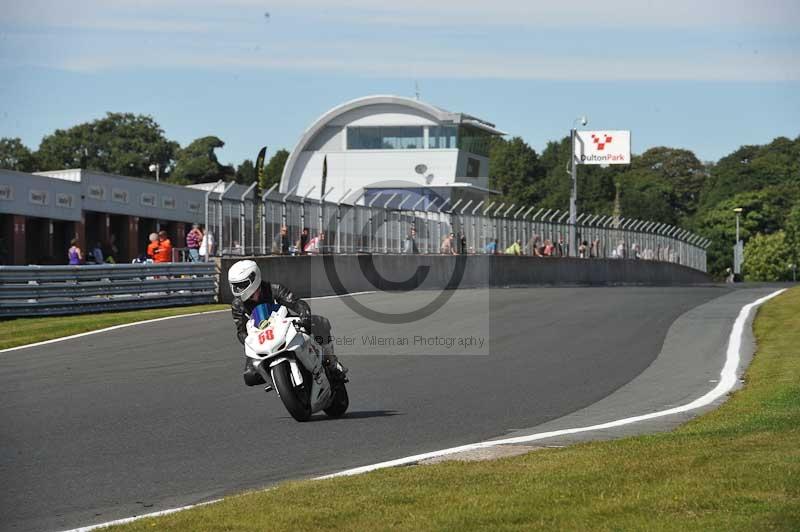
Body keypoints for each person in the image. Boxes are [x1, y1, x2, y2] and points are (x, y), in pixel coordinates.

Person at [228, 260, 347, 386]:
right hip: (262, 340)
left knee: (321, 322)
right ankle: (278, 379)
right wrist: (249, 341)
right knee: (250, 376)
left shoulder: (274, 289)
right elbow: (241, 331)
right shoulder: (237, 305)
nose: (239, 289)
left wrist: (304, 315)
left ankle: (333, 363)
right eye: (235, 286)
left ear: (254, 278)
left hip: (284, 329)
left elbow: (296, 303)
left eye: (242, 284)